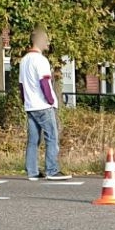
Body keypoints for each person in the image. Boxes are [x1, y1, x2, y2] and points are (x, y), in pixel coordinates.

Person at [19, 30, 72, 181]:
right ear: (39, 41)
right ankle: (52, 170)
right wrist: (50, 100)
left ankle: (32, 171)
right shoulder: (41, 60)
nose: (48, 43)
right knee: (51, 137)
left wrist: (25, 101)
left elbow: (21, 86)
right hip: (42, 105)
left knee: (33, 139)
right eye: (46, 40)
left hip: (30, 106)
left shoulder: (24, 60)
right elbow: (44, 83)